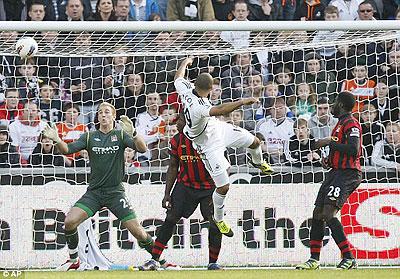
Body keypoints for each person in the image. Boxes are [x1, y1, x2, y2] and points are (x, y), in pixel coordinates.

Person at [42, 102, 154, 271]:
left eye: (107, 112)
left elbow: (143, 149)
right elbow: (67, 150)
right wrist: (57, 139)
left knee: (138, 232)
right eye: (100, 112)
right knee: (70, 222)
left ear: (113, 116)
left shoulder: (121, 135)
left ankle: (160, 258)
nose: (103, 115)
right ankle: (74, 261)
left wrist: (135, 133)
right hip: (94, 193)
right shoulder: (89, 137)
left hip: (115, 193)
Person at [174, 57, 273, 237]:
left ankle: (257, 162)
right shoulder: (199, 106)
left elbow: (178, 77)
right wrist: (243, 102)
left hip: (218, 129)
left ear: (194, 84)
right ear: (211, 90)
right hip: (207, 145)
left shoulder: (185, 89)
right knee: (224, 187)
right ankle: (218, 218)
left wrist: (186, 62)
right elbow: (221, 111)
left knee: (255, 142)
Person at [140, 113, 224, 270]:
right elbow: (173, 166)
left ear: (190, 122)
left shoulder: (209, 138)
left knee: (214, 222)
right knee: (170, 218)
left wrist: (221, 189)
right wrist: (167, 193)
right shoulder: (177, 140)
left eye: (180, 120)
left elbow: (224, 166)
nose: (176, 124)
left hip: (209, 187)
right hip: (185, 186)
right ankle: (154, 259)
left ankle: (213, 263)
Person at [296, 91, 362, 270]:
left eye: (334, 103)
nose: (332, 106)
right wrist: (329, 159)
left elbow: (354, 150)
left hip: (347, 173)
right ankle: (313, 260)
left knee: (328, 213)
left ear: (341, 104)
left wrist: (328, 143)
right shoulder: (340, 124)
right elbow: (340, 148)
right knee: (318, 213)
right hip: (335, 172)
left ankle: (348, 257)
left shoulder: (351, 123)